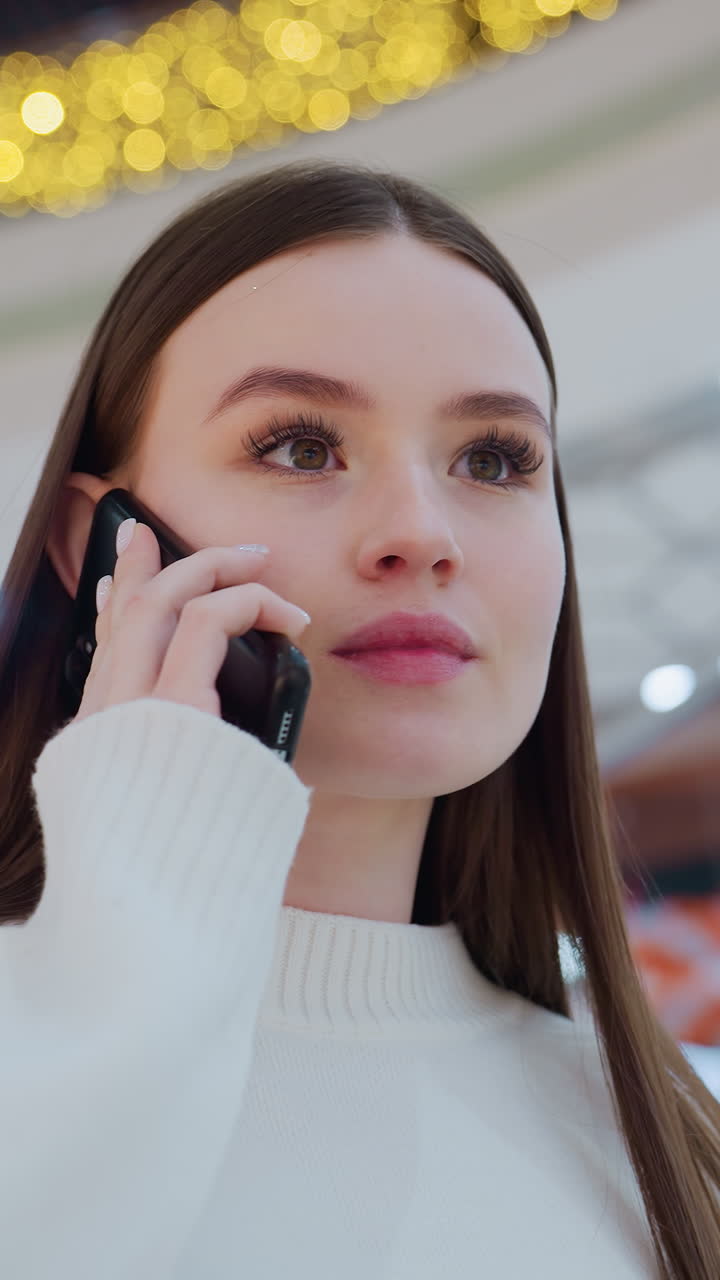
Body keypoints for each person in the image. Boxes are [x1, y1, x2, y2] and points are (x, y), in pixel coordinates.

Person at [0, 160, 718, 1280]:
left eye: (494, 457)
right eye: (299, 444)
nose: (421, 532)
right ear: (96, 546)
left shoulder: (678, 1136)